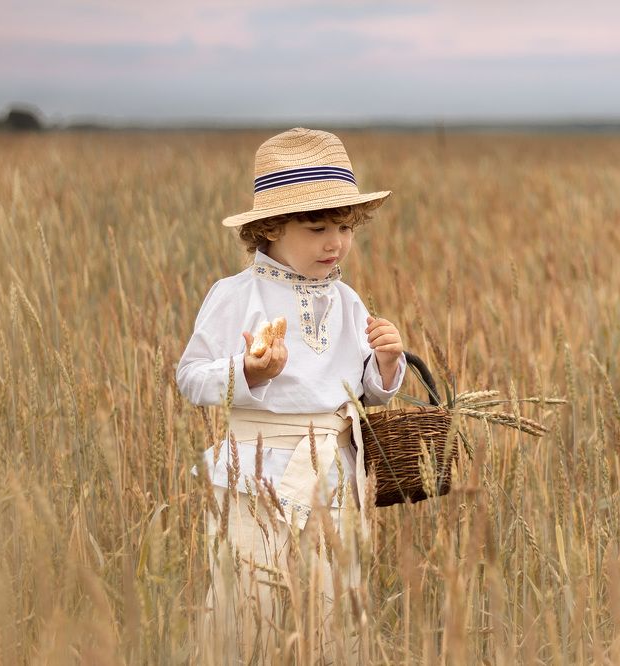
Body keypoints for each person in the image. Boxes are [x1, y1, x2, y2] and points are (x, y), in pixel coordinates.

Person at [176, 128, 407, 664]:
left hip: (333, 475)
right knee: (249, 603)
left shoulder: (348, 301)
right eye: (317, 227)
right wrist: (247, 372)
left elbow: (362, 393)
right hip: (257, 477)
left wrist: (388, 364)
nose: (336, 242)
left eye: (346, 227)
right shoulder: (235, 295)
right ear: (271, 227)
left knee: (331, 604)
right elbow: (190, 377)